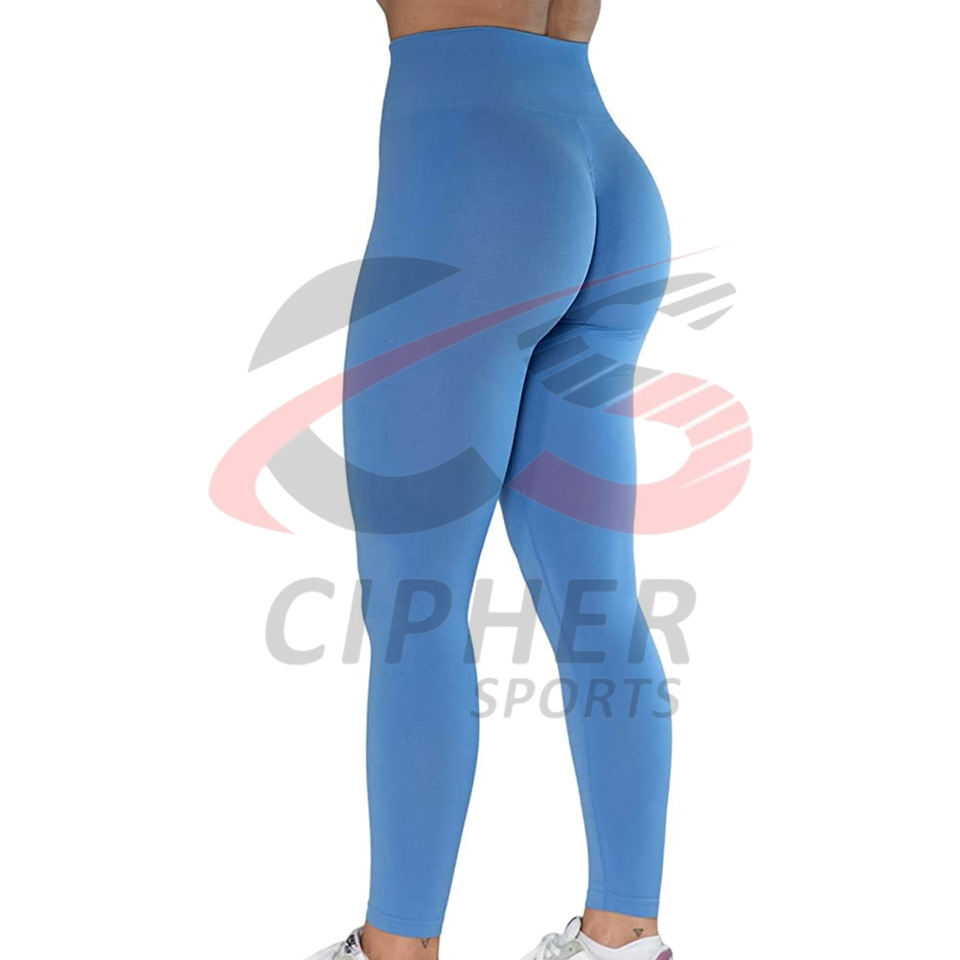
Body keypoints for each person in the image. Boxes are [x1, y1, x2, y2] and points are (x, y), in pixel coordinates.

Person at [310, 3, 673, 960]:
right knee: (600, 602)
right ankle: (623, 938)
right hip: (609, 176)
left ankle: (396, 949)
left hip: (473, 185)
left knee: (414, 604)